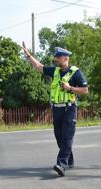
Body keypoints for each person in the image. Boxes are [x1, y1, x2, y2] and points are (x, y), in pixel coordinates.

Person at [22, 42, 88, 176]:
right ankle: (69, 161)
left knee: (67, 137)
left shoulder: (76, 73)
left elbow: (85, 90)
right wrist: (28, 55)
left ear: (65, 58)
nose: (56, 59)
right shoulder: (55, 71)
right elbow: (39, 67)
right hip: (57, 109)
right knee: (59, 137)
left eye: (58, 57)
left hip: (69, 109)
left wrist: (70, 88)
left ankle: (61, 164)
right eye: (56, 57)